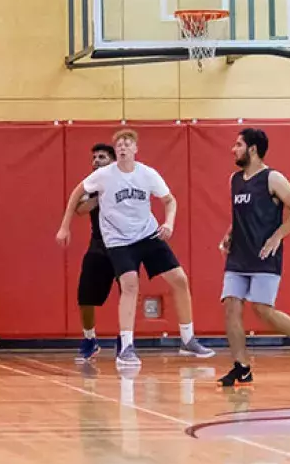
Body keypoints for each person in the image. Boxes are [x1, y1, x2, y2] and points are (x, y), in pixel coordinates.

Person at [55, 129, 213, 367]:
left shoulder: (147, 174)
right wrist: (64, 227)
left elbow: (169, 200)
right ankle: (126, 347)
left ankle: (188, 339)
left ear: (135, 149)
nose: (123, 147)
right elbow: (77, 194)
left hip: (148, 235)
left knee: (179, 279)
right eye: (119, 144)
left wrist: (168, 222)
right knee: (130, 285)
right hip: (118, 240)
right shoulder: (104, 175)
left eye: (127, 143)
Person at [216, 127, 290, 386]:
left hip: (265, 255)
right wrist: (229, 233)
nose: (233, 149)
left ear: (252, 149)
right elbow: (240, 215)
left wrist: (278, 236)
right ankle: (241, 366)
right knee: (231, 306)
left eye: (238, 145)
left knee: (262, 309)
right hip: (238, 256)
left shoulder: (272, 178)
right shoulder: (234, 179)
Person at [73, 142, 117, 363]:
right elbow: (79, 209)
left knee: (127, 293)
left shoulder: (125, 181)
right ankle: (90, 339)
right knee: (84, 295)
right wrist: (101, 196)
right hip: (99, 246)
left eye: (102, 157)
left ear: (113, 160)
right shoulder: (90, 186)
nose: (96, 161)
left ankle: (125, 340)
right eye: (94, 158)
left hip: (124, 246)